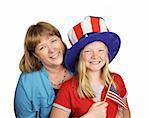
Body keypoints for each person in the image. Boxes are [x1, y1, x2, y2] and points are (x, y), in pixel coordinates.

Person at [14, 21, 108, 118]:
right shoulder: (27, 83)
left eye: (53, 41)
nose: (51, 50)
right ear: (35, 55)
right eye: (42, 47)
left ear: (61, 41)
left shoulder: (83, 64)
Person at [50, 16, 131, 118]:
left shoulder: (116, 80)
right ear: (80, 57)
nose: (95, 56)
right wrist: (90, 116)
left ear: (107, 54)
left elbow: (125, 110)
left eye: (100, 50)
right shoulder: (68, 89)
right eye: (88, 51)